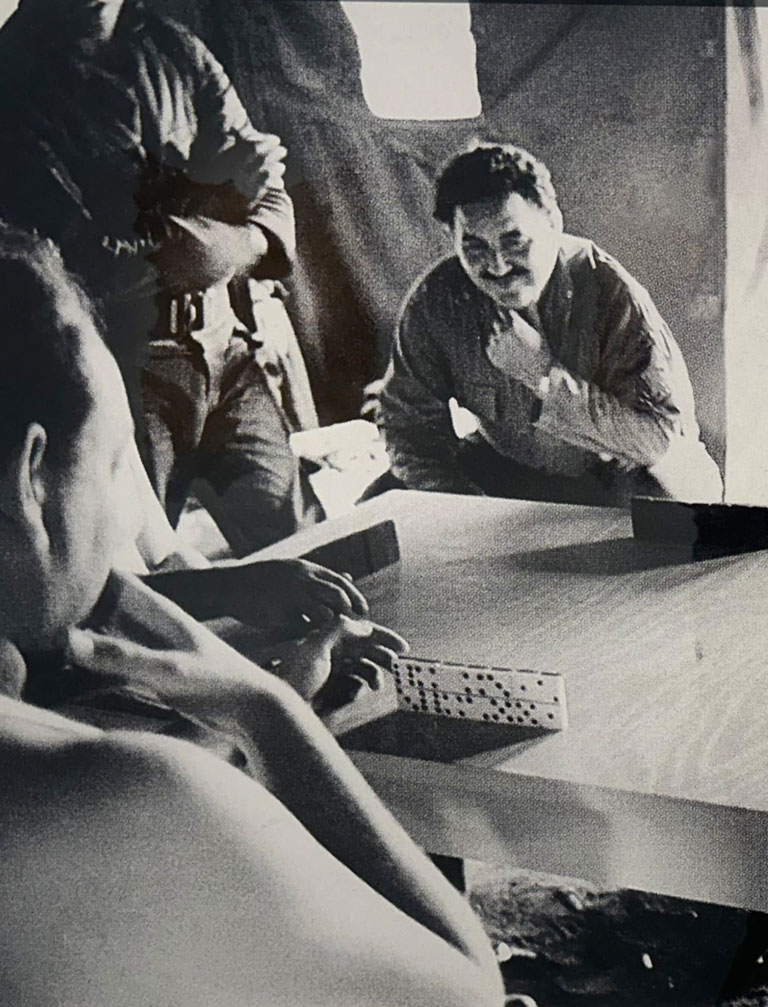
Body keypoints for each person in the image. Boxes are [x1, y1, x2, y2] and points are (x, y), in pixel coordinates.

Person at [0, 227, 514, 1004]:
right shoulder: (116, 797)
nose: (119, 527)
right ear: (30, 478)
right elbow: (466, 994)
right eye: (113, 462)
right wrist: (269, 706)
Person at [0, 0, 312, 555]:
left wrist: (239, 238)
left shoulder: (175, 48)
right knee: (152, 572)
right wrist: (218, 199)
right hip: (121, 369)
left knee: (303, 554)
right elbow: (75, 258)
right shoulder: (14, 73)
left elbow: (266, 185)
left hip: (228, 353)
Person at [376, 142, 723, 506]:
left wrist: (542, 374)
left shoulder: (609, 290)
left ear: (553, 222)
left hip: (623, 481)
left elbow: (657, 441)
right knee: (378, 508)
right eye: (475, 248)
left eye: (515, 242)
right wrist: (465, 510)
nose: (498, 267)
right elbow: (408, 430)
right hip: (510, 474)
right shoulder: (438, 299)